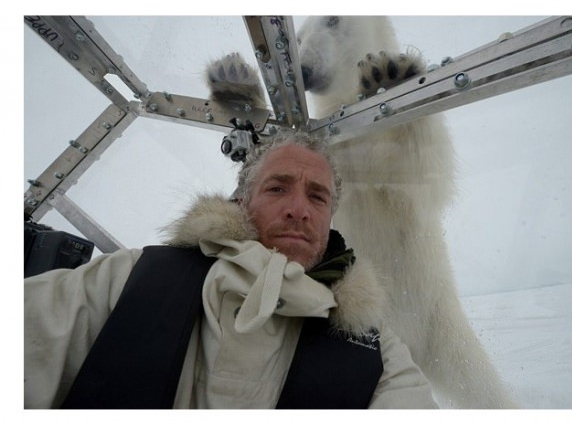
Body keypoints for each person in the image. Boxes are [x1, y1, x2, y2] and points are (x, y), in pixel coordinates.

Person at [24, 132, 438, 409]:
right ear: (242, 201)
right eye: (277, 189)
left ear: (331, 217)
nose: (299, 209)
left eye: (318, 197)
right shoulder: (129, 278)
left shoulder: (374, 348)